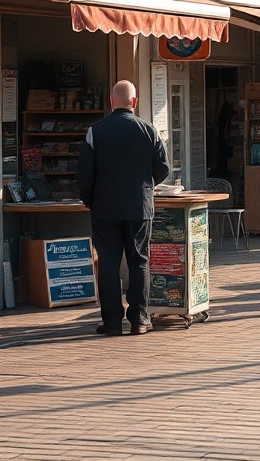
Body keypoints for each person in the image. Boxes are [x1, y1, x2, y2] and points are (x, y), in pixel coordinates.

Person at [78, 80, 170, 336]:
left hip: (105, 207)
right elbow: (163, 169)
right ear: (135, 102)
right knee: (139, 261)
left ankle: (112, 322)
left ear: (111, 101)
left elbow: (84, 173)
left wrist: (90, 200)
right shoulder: (149, 130)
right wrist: (145, 187)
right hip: (139, 206)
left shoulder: (95, 131)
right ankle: (139, 319)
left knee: (108, 262)